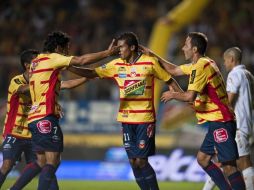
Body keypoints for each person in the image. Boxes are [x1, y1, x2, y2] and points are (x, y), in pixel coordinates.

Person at [68, 32, 182, 190]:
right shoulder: (115, 65)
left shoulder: (149, 63)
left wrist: (181, 96)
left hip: (145, 119)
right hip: (126, 119)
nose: (118, 50)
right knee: (133, 162)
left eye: (121, 47)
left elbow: (169, 79)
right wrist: (70, 67)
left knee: (142, 161)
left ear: (133, 47)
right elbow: (92, 73)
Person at [9, 31, 118, 190]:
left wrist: (91, 75)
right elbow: (81, 60)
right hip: (45, 117)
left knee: (41, 162)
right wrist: (108, 53)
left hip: (33, 118)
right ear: (58, 48)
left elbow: (66, 82)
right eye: (66, 48)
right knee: (53, 161)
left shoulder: (37, 62)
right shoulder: (52, 58)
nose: (67, 52)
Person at [140, 32, 246, 190]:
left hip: (221, 121)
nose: (183, 48)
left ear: (194, 49)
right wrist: (152, 54)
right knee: (202, 159)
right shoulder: (201, 63)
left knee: (229, 166)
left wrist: (173, 94)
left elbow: (190, 96)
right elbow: (174, 70)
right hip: (216, 121)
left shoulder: (202, 65)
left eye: (186, 45)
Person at [0, 49, 88, 189]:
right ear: (27, 65)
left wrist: (89, 76)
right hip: (14, 131)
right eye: (36, 60)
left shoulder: (41, 79)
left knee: (48, 164)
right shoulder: (16, 80)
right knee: (7, 164)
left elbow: (67, 84)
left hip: (33, 132)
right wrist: (44, 88)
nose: (40, 62)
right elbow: (22, 90)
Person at [203, 47, 254, 190]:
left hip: (237, 125)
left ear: (231, 59)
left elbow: (228, 101)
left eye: (225, 60)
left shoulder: (234, 74)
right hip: (248, 123)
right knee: (224, 162)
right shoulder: (248, 75)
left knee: (243, 163)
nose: (224, 64)